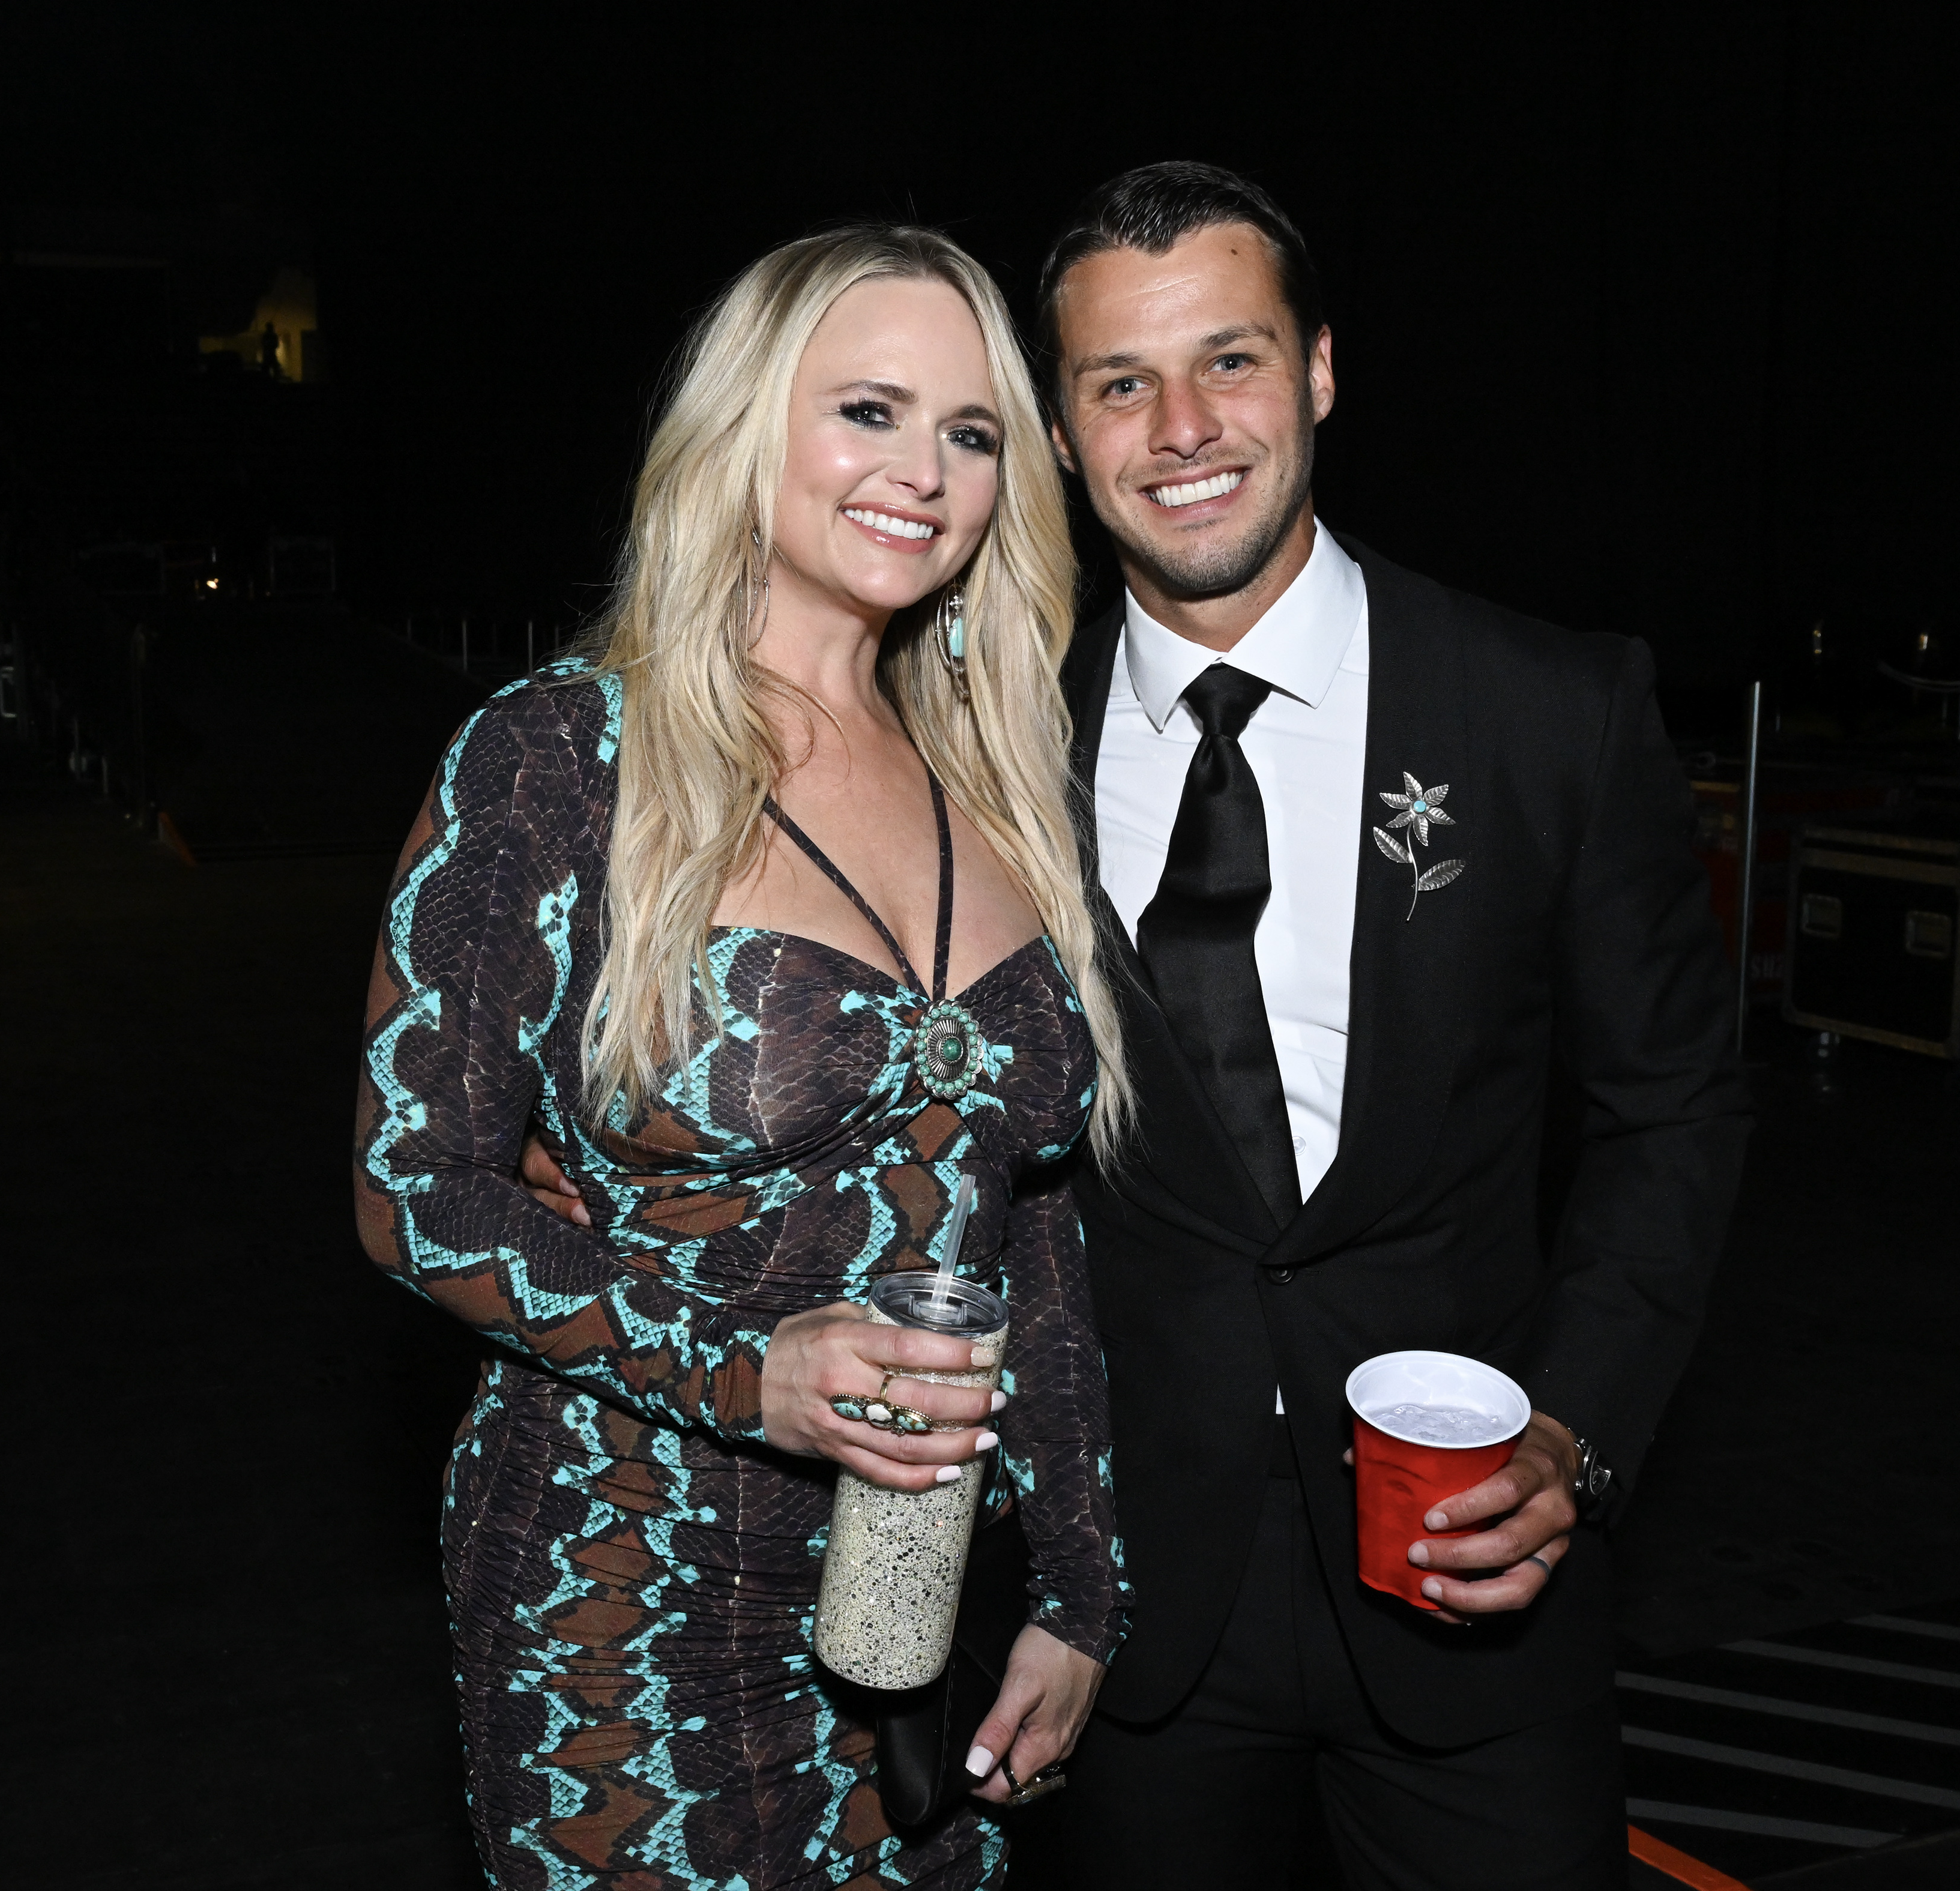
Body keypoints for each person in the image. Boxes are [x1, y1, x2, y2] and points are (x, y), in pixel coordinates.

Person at [355, 225, 1130, 1891]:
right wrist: (742, 1365)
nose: (921, 470)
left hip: (915, 1595)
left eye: (971, 430)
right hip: (612, 1590)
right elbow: (410, 1187)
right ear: (748, 427)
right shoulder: (559, 756)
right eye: (867, 409)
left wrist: (1077, 1583)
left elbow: (1033, 1237)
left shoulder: (998, 777)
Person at [1007, 164, 1752, 1889]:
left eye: (1232, 360)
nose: (1181, 426)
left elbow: (1673, 1109)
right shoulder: (984, 748)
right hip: (1124, 1619)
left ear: (1321, 371)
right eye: (1120, 382)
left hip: (1475, 1604)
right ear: (1059, 428)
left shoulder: (1548, 709)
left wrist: (1574, 1423)